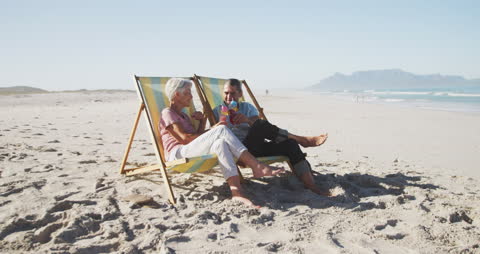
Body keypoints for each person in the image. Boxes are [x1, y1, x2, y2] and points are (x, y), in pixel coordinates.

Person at [159, 78, 284, 208]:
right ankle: (257, 166)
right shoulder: (167, 113)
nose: (191, 96)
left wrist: (202, 122)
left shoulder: (184, 116)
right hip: (177, 153)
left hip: (188, 149)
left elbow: (196, 139)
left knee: (221, 143)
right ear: (177, 95)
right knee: (221, 129)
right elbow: (184, 139)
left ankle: (237, 193)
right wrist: (214, 129)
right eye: (187, 93)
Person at [212, 79, 331, 196]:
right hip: (238, 150)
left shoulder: (247, 107)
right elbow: (211, 135)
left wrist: (247, 120)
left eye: (232, 93)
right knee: (261, 125)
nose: (229, 97)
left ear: (240, 94)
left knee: (290, 144)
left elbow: (257, 124)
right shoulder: (217, 111)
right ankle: (302, 140)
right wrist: (217, 126)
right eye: (226, 93)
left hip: (255, 146)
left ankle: (311, 185)